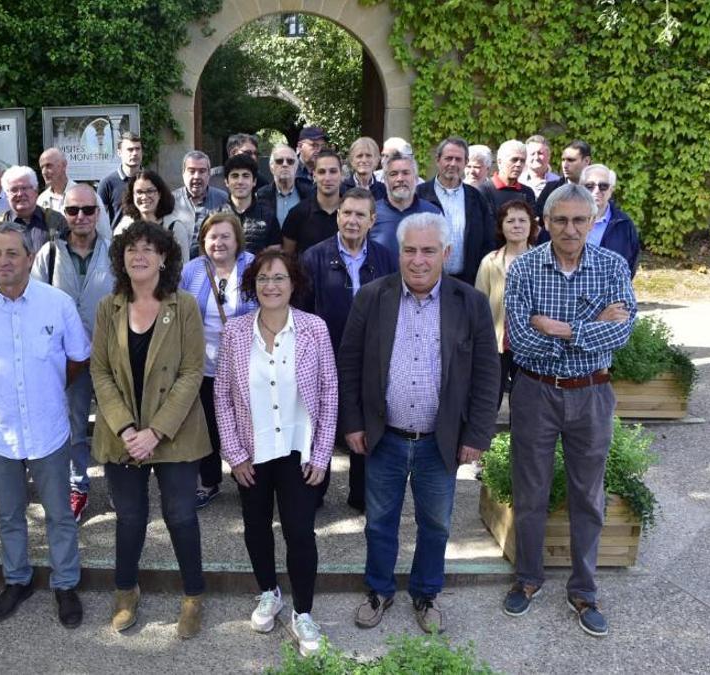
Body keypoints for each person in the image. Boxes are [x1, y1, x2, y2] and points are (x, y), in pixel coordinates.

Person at [339, 213, 500, 635]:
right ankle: (379, 589)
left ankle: (426, 593)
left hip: (440, 442)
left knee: (436, 524)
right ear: (399, 253)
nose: (418, 260)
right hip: (383, 438)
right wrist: (352, 423)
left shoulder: (470, 303)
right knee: (379, 522)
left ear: (446, 253)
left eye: (429, 251)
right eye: (410, 250)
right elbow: (349, 365)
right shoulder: (372, 298)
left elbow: (487, 375)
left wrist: (477, 437)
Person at [501, 183, 636, 638]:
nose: (570, 228)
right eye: (560, 220)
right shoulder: (525, 269)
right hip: (535, 392)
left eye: (580, 220)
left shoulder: (613, 267)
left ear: (594, 222)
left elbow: (620, 334)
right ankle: (528, 578)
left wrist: (558, 328)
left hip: (592, 394)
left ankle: (584, 589)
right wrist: (589, 327)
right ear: (546, 222)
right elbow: (521, 340)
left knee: (588, 496)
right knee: (530, 491)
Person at [0, 222, 90, 629]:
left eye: (12, 253)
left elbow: (77, 358)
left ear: (30, 259)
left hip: (49, 428)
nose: (3, 261)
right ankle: (17, 580)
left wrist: (47, 387)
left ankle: (66, 584)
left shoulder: (58, 303)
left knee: (58, 515)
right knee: (10, 514)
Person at [213, 250, 337, 657]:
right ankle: (269, 591)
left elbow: (329, 393)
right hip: (253, 449)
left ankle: (303, 612)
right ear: (253, 284)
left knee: (300, 532)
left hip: (298, 449)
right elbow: (223, 397)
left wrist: (321, 456)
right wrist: (233, 453)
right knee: (255, 528)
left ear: (293, 283)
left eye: (280, 278)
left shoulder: (314, 329)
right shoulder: (234, 332)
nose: (271, 285)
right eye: (263, 278)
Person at [90, 221, 210, 638]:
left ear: (163, 258)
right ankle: (126, 593)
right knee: (129, 517)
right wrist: (126, 429)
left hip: (174, 433)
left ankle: (193, 596)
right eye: (131, 249)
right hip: (122, 434)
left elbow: (193, 372)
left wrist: (155, 432)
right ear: (122, 259)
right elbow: (100, 371)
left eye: (148, 248)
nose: (139, 255)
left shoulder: (185, 306)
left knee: (180, 515)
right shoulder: (109, 307)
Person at [299, 187, 398, 511]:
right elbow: (301, 310)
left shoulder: (386, 259)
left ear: (372, 220)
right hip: (323, 356)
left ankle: (362, 494)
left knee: (366, 423)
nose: (352, 220)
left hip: (371, 359)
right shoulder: (313, 257)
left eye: (360, 215)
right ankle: (314, 490)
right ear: (338, 216)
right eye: (346, 213)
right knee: (319, 425)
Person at [31, 183, 116, 522]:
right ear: (64, 214)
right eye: (72, 210)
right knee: (73, 426)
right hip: (67, 361)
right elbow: (35, 306)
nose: (80, 216)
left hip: (110, 358)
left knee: (114, 425)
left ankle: (118, 486)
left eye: (88, 210)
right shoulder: (49, 254)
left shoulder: (114, 252)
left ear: (98, 213)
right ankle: (77, 485)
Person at [179, 212, 258, 510]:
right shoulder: (192, 271)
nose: (219, 242)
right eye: (212, 237)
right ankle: (209, 481)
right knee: (208, 425)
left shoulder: (253, 266)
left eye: (225, 236)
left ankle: (249, 478)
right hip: (204, 365)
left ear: (237, 239)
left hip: (246, 365)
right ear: (203, 241)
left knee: (245, 423)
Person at [475, 200, 538, 408]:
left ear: (531, 225)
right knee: (489, 400)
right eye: (510, 220)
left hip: (531, 345)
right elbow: (479, 304)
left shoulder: (543, 261)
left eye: (522, 220)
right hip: (498, 344)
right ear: (502, 226)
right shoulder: (490, 262)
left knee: (525, 403)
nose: (517, 225)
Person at [415, 137, 497, 285]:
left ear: (465, 163)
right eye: (448, 158)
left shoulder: (476, 198)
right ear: (438, 160)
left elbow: (488, 241)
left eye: (458, 159)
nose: (453, 164)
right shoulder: (420, 195)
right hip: (426, 281)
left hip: (467, 282)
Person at [114, 169, 192, 265]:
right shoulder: (124, 227)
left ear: (159, 194)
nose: (144, 196)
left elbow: (184, 267)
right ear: (132, 195)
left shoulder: (175, 227)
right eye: (139, 192)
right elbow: (116, 265)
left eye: (150, 191)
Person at [371, 152, 443, 253]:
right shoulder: (371, 213)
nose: (400, 179)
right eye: (393, 174)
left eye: (406, 173)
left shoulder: (433, 213)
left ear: (416, 179)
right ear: (386, 180)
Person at [37, 147, 112, 239]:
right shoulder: (41, 200)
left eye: (48, 166)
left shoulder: (86, 195)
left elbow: (104, 232)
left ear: (64, 165)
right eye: (42, 167)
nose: (44, 172)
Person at [0, 165, 65, 253]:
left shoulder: (56, 221)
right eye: (14, 189)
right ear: (6, 195)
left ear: (36, 191)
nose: (20, 194)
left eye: (25, 188)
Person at [281, 150, 343, 255]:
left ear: (341, 174)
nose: (327, 178)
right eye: (322, 172)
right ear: (314, 175)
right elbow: (288, 258)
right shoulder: (297, 214)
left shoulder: (352, 213)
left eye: (333, 171)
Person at [216, 153, 282, 253]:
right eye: (235, 176)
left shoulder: (268, 216)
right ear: (226, 182)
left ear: (254, 181)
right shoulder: (215, 216)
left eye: (246, 176)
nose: (240, 181)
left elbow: (274, 253)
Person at [172, 150, 230, 257]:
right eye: (192, 171)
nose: (197, 176)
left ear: (209, 174)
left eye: (202, 171)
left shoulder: (223, 199)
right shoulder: (171, 201)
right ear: (183, 173)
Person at [256, 144, 314, 228]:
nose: (285, 164)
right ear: (271, 167)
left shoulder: (309, 194)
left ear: (296, 167)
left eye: (290, 161)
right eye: (279, 161)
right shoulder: (261, 195)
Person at [536, 140, 592, 221]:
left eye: (571, 160)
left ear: (586, 161)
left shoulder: (598, 189)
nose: (565, 165)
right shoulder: (550, 189)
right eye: (563, 160)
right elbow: (540, 220)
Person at [97, 131, 143, 222]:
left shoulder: (151, 181)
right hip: (118, 235)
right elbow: (99, 219)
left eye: (138, 149)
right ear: (119, 153)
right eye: (130, 149)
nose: (135, 153)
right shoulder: (107, 183)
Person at [490, 140, 537, 213]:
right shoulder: (484, 191)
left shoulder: (527, 192)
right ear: (499, 162)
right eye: (514, 160)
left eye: (522, 161)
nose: (519, 164)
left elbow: (531, 222)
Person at [341, 136, 387, 201]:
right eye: (359, 156)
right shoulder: (341, 189)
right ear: (351, 160)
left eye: (368, 156)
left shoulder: (384, 190)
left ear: (377, 160)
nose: (364, 160)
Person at [465, 144, 497, 212]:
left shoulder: (494, 191)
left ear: (487, 168)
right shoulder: (456, 190)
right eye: (468, 166)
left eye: (477, 167)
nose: (471, 171)